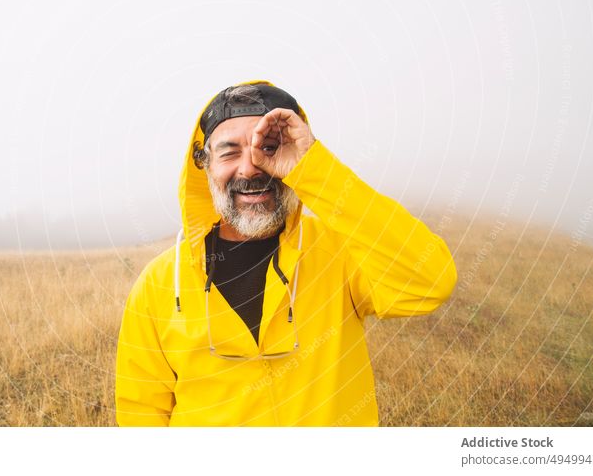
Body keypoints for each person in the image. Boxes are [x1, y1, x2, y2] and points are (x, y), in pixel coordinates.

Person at [115, 80, 457, 426]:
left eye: (270, 147)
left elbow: (430, 282)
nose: (250, 169)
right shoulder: (159, 284)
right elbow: (140, 412)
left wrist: (316, 170)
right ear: (203, 165)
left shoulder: (341, 250)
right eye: (229, 152)